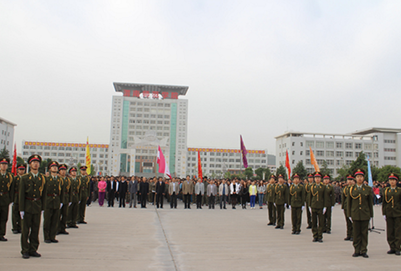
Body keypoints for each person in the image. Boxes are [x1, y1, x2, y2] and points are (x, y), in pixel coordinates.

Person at [19, 155, 45, 259]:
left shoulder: (42, 178)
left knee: (35, 229)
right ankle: (25, 250)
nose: (36, 164)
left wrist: (43, 207)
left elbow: (44, 193)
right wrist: (21, 209)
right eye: (33, 162)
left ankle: (33, 249)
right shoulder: (25, 178)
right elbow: (21, 195)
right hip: (27, 206)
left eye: (37, 162)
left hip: (37, 206)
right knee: (25, 230)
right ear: (29, 164)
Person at [347, 169, 373, 258]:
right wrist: (349, 214)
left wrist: (371, 215)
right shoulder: (351, 189)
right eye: (358, 177)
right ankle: (357, 250)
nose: (359, 178)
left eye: (361, 177)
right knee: (356, 233)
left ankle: (364, 250)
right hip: (355, 214)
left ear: (363, 178)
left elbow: (370, 204)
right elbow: (349, 203)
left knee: (364, 233)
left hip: (365, 214)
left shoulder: (368, 189)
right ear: (355, 178)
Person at [43, 161, 63, 244]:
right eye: (53, 166)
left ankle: (52, 236)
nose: (55, 168)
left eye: (56, 166)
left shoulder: (59, 179)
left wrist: (61, 201)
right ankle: (47, 236)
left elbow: (62, 191)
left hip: (56, 201)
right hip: (48, 200)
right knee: (47, 220)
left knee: (55, 219)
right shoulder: (46, 179)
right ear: (49, 169)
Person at [382, 173, 401, 256]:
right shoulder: (386, 190)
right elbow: (384, 203)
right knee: (390, 231)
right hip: (389, 213)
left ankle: (397, 248)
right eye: (390, 180)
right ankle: (392, 247)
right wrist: (384, 213)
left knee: (397, 231)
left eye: (393, 180)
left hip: (398, 213)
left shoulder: (399, 191)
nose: (392, 182)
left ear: (396, 181)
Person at [0, 158, 14, 241]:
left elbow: (11, 190)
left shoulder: (10, 176)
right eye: (2, 164)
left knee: (4, 217)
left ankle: (1, 234)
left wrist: (10, 200)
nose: (4, 166)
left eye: (5, 164)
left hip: (5, 199)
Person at [310, 171, 325, 243]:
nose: (317, 179)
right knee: (314, 222)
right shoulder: (312, 187)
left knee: (321, 222)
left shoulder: (323, 187)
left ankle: (320, 236)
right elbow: (309, 197)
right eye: (316, 178)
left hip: (321, 206)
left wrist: (325, 206)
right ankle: (315, 235)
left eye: (318, 178)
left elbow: (325, 197)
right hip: (313, 206)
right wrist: (309, 206)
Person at [12, 163, 26, 234]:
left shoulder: (25, 178)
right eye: (20, 169)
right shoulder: (15, 178)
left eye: (23, 169)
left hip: (23, 198)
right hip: (16, 197)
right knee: (15, 213)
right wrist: (12, 199)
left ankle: (20, 227)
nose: (21, 171)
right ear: (17, 170)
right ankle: (15, 227)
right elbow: (12, 189)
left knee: (22, 213)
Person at [58, 164, 71, 235]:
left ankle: (63, 228)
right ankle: (57, 228)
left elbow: (70, 190)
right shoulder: (58, 179)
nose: (63, 172)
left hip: (66, 198)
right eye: (61, 170)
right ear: (59, 171)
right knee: (58, 215)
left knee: (65, 214)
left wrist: (70, 199)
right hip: (59, 198)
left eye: (64, 170)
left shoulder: (67, 180)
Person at [342, 175, 354, 241]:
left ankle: (353, 235)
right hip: (346, 207)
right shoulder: (345, 188)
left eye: (351, 180)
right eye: (348, 180)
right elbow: (343, 198)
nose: (349, 181)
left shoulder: (354, 188)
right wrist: (343, 207)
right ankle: (348, 234)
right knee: (348, 222)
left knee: (352, 222)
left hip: (352, 207)